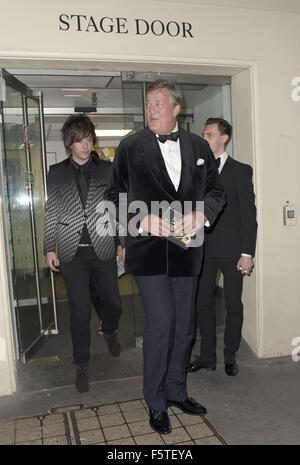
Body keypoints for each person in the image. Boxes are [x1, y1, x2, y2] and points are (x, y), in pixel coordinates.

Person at [105, 80, 225, 435]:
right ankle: (156, 400)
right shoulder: (129, 147)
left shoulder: (198, 146)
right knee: (161, 323)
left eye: (158, 104)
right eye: (148, 104)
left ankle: (176, 390)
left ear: (176, 108)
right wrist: (141, 218)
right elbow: (113, 196)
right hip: (148, 252)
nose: (151, 110)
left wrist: (201, 214)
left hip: (188, 251)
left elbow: (216, 192)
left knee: (185, 325)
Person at [43, 114, 123, 394]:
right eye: (80, 141)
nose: (86, 145)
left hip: (103, 248)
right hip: (70, 252)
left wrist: (121, 240)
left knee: (113, 302)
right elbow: (52, 210)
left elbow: (118, 206)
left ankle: (110, 329)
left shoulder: (108, 169)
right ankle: (82, 365)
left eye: (89, 139)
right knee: (79, 310)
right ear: (69, 143)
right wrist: (48, 248)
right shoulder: (57, 172)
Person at [188, 118, 257, 377]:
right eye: (204, 134)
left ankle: (230, 354)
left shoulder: (241, 170)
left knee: (232, 304)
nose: (204, 138)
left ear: (224, 137)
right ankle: (207, 356)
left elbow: (249, 215)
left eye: (209, 134)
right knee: (201, 303)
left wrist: (246, 253)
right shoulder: (196, 171)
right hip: (202, 250)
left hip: (232, 250)